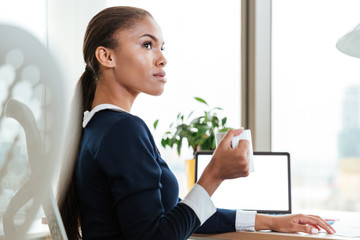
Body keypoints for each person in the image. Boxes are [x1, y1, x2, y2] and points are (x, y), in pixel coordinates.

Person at [58, 6, 336, 240]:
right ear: (107, 56)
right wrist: (214, 173)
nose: (163, 58)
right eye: (147, 44)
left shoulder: (98, 128)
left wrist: (273, 221)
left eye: (161, 47)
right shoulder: (123, 130)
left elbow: (177, 215)